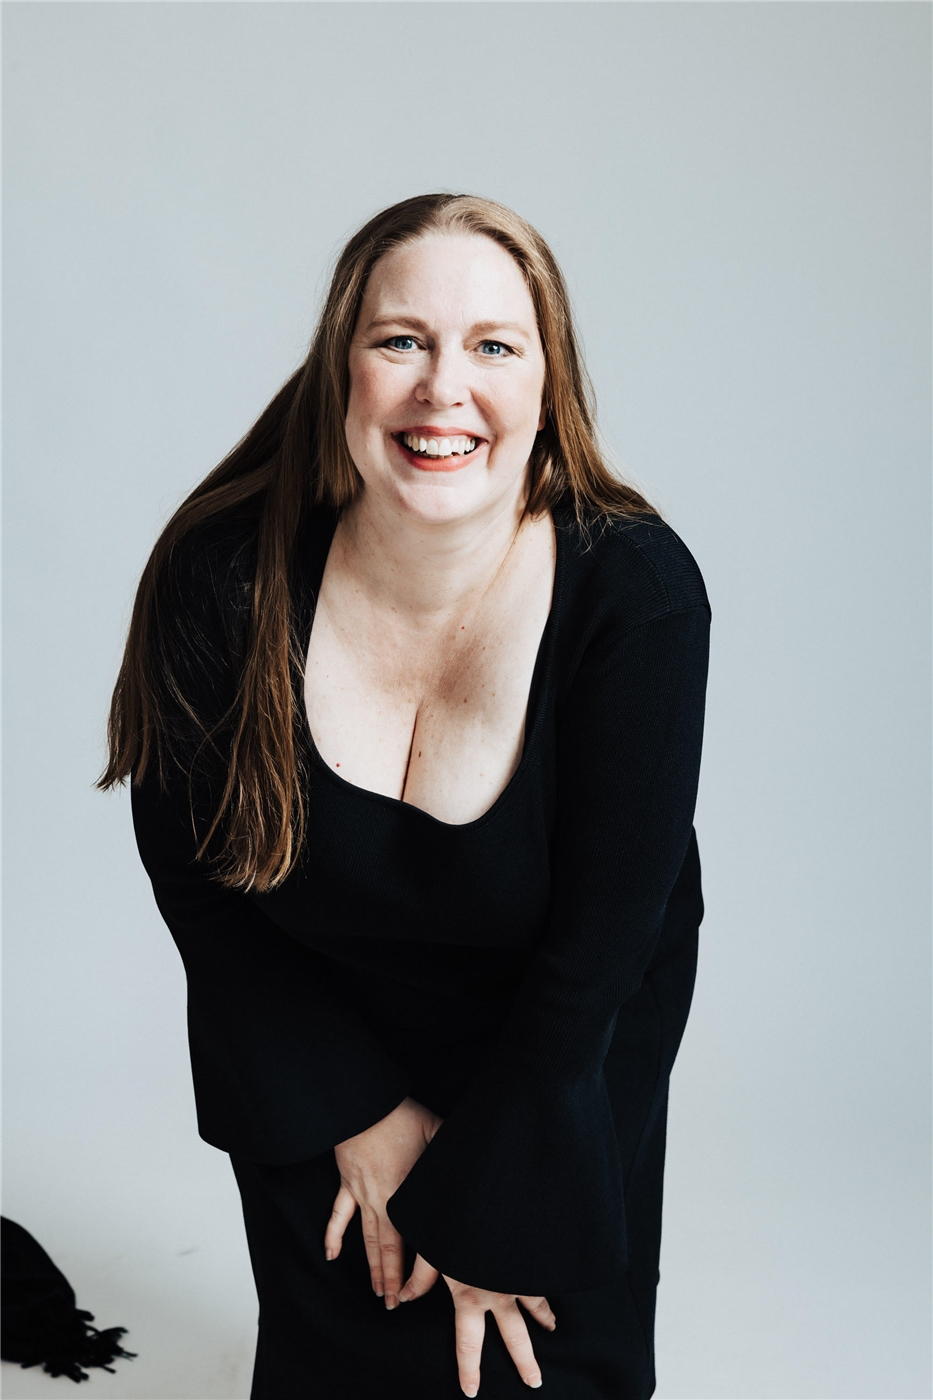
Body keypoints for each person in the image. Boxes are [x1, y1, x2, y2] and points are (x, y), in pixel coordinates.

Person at [100, 192, 711, 1400]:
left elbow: (603, 950)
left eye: (494, 346)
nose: (444, 388)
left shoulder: (636, 592)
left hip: (560, 1043)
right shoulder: (222, 574)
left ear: (549, 384)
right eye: (401, 340)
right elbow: (197, 877)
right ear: (344, 366)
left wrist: (499, 1204)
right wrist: (360, 1111)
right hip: (321, 1032)